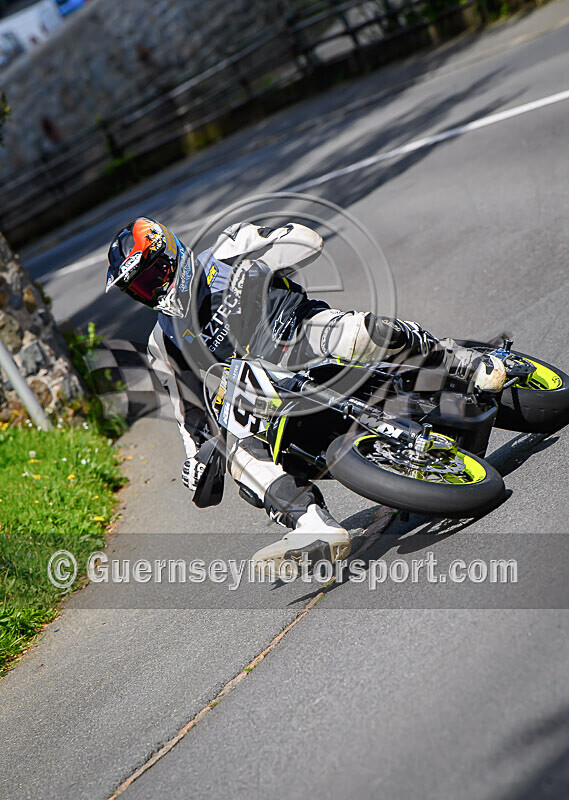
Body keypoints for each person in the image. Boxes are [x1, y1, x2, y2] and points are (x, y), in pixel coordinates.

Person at [106, 217, 506, 574]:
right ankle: (313, 527)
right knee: (237, 455)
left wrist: (265, 258)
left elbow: (307, 240)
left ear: (173, 253)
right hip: (266, 397)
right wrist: (195, 460)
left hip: (302, 336)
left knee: (358, 333)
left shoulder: (228, 249)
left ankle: (463, 363)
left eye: (154, 272)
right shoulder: (164, 341)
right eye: (139, 286)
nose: (153, 287)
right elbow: (187, 412)